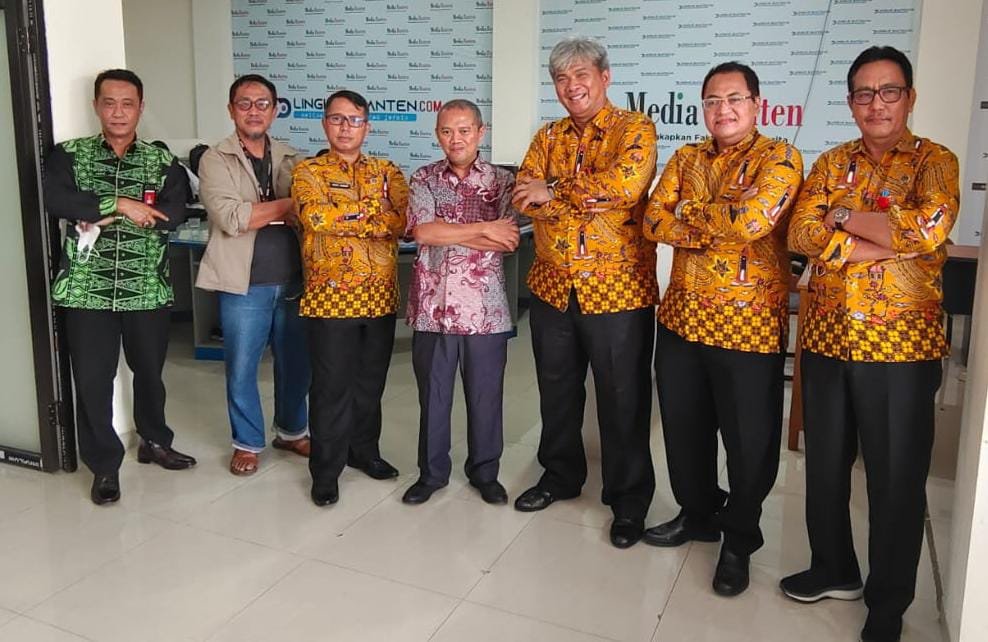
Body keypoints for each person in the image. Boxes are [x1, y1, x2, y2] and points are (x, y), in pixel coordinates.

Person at [783, 46, 959, 642]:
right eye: (864, 92)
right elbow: (801, 231)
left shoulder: (936, 161)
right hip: (829, 339)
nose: (876, 103)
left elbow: (928, 227)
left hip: (901, 349)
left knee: (895, 480)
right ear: (851, 101)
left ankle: (888, 602)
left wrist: (842, 219)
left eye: (889, 91)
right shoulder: (832, 161)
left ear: (909, 97)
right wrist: (880, 241)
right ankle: (834, 568)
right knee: (825, 467)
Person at [642, 62, 803, 596]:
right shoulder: (686, 157)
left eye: (734, 99)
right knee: (684, 430)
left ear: (757, 104)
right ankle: (698, 514)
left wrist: (689, 213)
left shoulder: (780, 157)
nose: (723, 109)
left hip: (748, 327)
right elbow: (653, 220)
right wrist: (716, 217)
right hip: (683, 319)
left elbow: (754, 222)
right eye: (712, 100)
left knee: (749, 440)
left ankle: (739, 539)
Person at [511, 37, 658, 549]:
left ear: (605, 77)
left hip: (618, 290)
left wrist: (554, 190)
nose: (572, 86)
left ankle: (628, 499)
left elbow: (624, 187)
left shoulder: (634, 128)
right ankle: (560, 476)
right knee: (557, 391)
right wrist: (570, 196)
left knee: (623, 398)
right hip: (553, 287)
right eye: (561, 78)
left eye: (581, 75)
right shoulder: (547, 135)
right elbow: (523, 196)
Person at [44, 69, 195, 505]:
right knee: (93, 380)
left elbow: (177, 210)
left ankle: (155, 440)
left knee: (149, 373)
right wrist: (121, 204)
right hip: (86, 289)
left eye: (127, 104)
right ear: (96, 106)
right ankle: (105, 465)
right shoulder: (68, 156)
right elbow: (57, 200)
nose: (118, 112)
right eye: (109, 103)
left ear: (140, 108)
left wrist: (98, 210)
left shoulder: (161, 161)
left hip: (146, 287)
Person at [292, 90, 409, 507]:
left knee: (370, 384)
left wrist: (345, 215)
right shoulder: (308, 171)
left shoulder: (387, 170)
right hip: (329, 300)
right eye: (337, 119)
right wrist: (370, 213)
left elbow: (401, 220)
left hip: (379, 298)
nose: (345, 127)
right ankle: (326, 471)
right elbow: (314, 216)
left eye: (354, 120)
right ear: (325, 123)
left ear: (367, 126)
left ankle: (365, 452)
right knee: (331, 388)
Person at [402, 99, 518, 506]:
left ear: (480, 132)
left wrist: (448, 231)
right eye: (447, 131)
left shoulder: (503, 181)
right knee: (433, 397)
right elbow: (423, 234)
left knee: (486, 397)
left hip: (486, 309)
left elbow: (508, 240)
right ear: (438, 134)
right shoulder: (423, 178)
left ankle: (485, 473)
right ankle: (431, 474)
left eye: (464, 130)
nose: (456, 139)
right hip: (432, 308)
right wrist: (484, 228)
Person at [197, 74, 310, 476]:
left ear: (275, 110)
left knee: (296, 364)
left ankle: (292, 431)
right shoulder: (215, 159)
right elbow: (232, 218)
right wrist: (288, 205)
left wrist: (264, 211)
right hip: (243, 284)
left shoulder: (293, 158)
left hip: (294, 279)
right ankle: (246, 442)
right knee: (242, 367)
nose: (254, 111)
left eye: (262, 104)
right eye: (244, 103)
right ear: (231, 110)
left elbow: (311, 213)